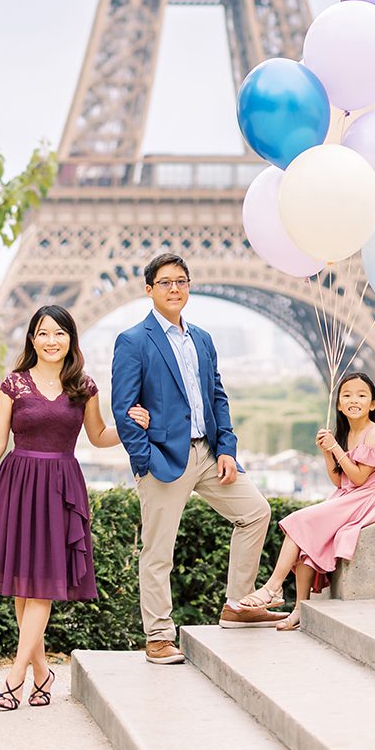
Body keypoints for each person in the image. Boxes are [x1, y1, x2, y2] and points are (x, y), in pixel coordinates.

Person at [0, 303, 148, 710]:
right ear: (32, 339)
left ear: (70, 338)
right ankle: (42, 672)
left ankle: (15, 675)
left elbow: (98, 435)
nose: (51, 340)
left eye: (59, 333)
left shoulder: (83, 386)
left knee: (40, 587)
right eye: (42, 333)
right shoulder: (14, 384)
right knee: (23, 587)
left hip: (60, 487)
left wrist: (130, 423)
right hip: (16, 484)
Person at [111, 253, 284, 663]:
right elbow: (123, 409)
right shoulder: (134, 341)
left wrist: (226, 449)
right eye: (166, 282)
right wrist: (144, 461)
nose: (175, 289)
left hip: (207, 453)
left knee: (256, 512)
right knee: (158, 552)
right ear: (149, 289)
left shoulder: (202, 339)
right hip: (164, 460)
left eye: (182, 281)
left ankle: (237, 605)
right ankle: (157, 636)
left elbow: (217, 396)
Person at [236, 372, 375, 627]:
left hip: (362, 501)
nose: (353, 400)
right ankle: (299, 611)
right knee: (306, 548)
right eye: (347, 395)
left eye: (361, 395)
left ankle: (272, 587)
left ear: (373, 404)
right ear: (338, 404)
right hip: (345, 498)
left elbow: (358, 480)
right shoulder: (345, 433)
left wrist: (335, 448)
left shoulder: (374, 433)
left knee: (300, 520)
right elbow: (339, 481)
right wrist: (327, 453)